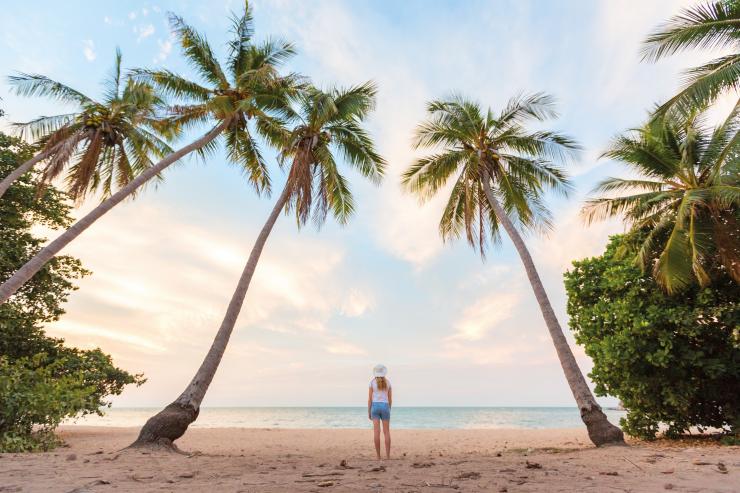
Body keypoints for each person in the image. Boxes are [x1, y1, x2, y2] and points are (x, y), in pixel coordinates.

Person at [368, 364, 392, 460]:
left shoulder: (372, 382)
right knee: (386, 432)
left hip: (375, 406)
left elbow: (369, 399)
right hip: (385, 406)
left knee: (376, 432)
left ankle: (378, 456)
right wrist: (388, 409)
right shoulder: (388, 383)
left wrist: (369, 411)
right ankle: (388, 456)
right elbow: (390, 400)